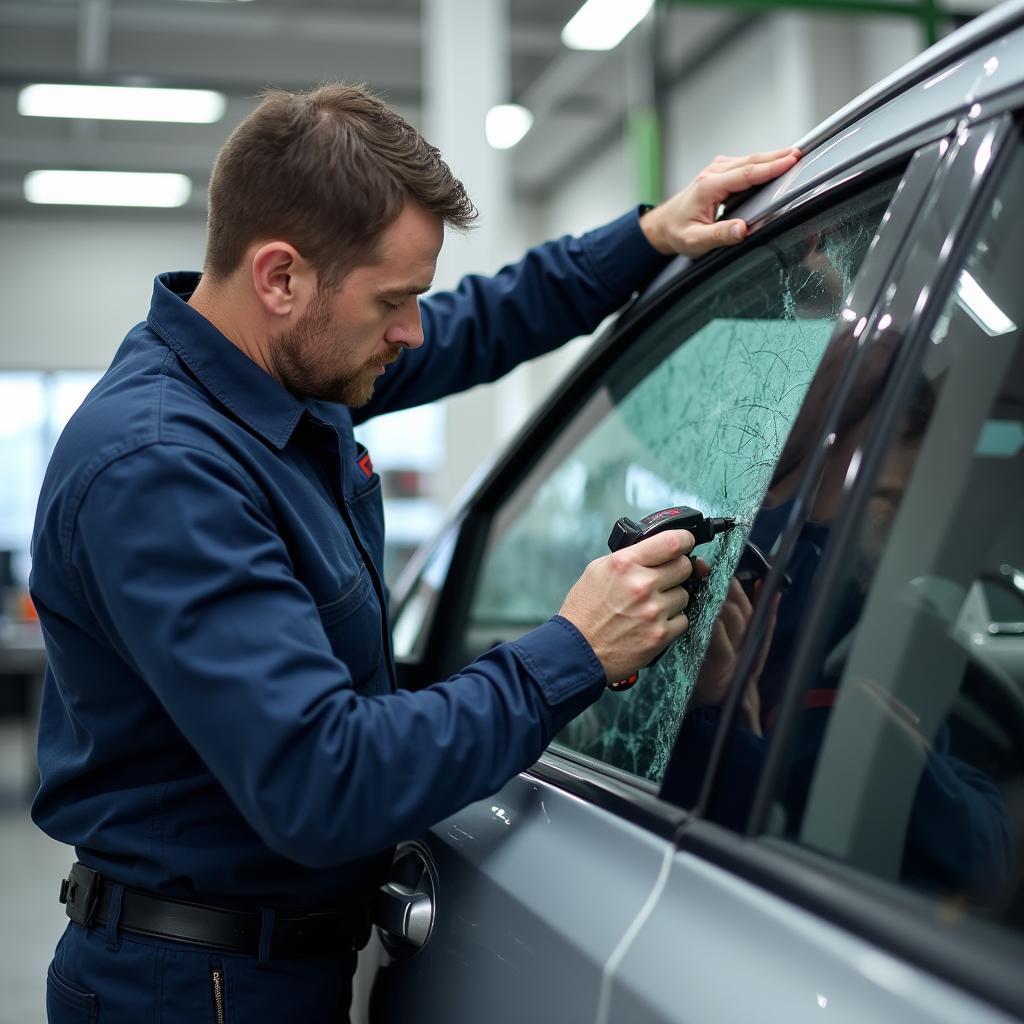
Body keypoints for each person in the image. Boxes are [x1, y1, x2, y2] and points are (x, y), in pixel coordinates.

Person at [29, 82, 800, 1022]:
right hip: (194, 993)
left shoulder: (282, 373)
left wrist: (645, 239)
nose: (410, 333)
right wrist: (576, 647)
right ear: (280, 277)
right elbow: (328, 781)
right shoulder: (164, 470)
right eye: (395, 301)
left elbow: (481, 323)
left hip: (261, 967)